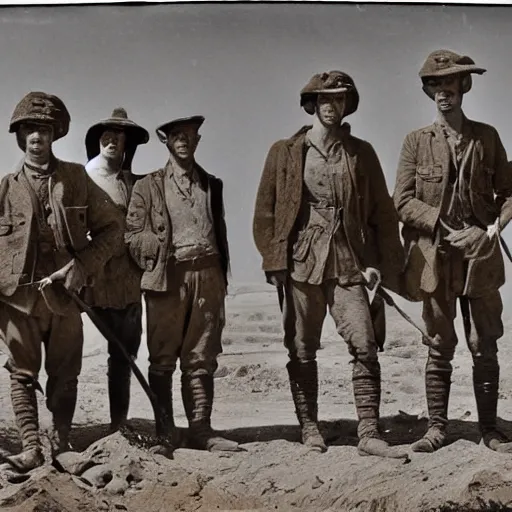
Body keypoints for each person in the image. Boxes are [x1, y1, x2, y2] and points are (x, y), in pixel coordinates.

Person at [253, 71, 407, 458]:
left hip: (349, 263)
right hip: (301, 262)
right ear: (312, 103)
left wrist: (377, 265)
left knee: (365, 344)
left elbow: (382, 214)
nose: (331, 105)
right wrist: (275, 262)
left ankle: (369, 432)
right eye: (324, 98)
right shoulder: (284, 152)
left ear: (346, 105)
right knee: (302, 349)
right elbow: (265, 214)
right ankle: (309, 428)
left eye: (339, 99)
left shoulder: (361, 152)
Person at [393, 49, 512, 453]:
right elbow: (402, 200)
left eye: (449, 84)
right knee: (440, 344)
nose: (442, 93)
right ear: (428, 92)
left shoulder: (487, 137)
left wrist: (490, 231)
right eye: (434, 86)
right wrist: (441, 225)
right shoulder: (415, 142)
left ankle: (489, 430)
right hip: (435, 259)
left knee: (485, 345)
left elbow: (509, 194)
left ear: (464, 86)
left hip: (481, 259)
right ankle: (437, 429)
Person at [0, 92, 123, 472]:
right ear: (21, 138)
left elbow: (113, 230)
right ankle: (31, 446)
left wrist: (82, 267)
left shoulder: (75, 179)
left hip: (65, 296)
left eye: (43, 129)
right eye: (29, 130)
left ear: (54, 134)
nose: (36, 136)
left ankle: (62, 442)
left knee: (66, 371)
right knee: (21, 372)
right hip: (16, 300)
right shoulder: (4, 188)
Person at [125, 115, 239, 452]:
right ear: (166, 141)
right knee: (162, 358)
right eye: (177, 135)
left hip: (208, 276)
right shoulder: (147, 186)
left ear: (198, 140)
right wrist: (159, 249)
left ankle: (201, 430)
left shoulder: (211, 184)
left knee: (201, 356)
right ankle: (165, 433)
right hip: (168, 279)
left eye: (190, 135)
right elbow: (131, 235)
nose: (184, 141)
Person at [84, 108, 149, 432]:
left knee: (123, 354)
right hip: (92, 277)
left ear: (127, 145)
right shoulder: (83, 178)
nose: (112, 141)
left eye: (119, 137)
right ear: (98, 140)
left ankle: (118, 424)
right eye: (106, 135)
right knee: (63, 353)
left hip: (127, 279)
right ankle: (61, 431)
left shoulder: (132, 182)